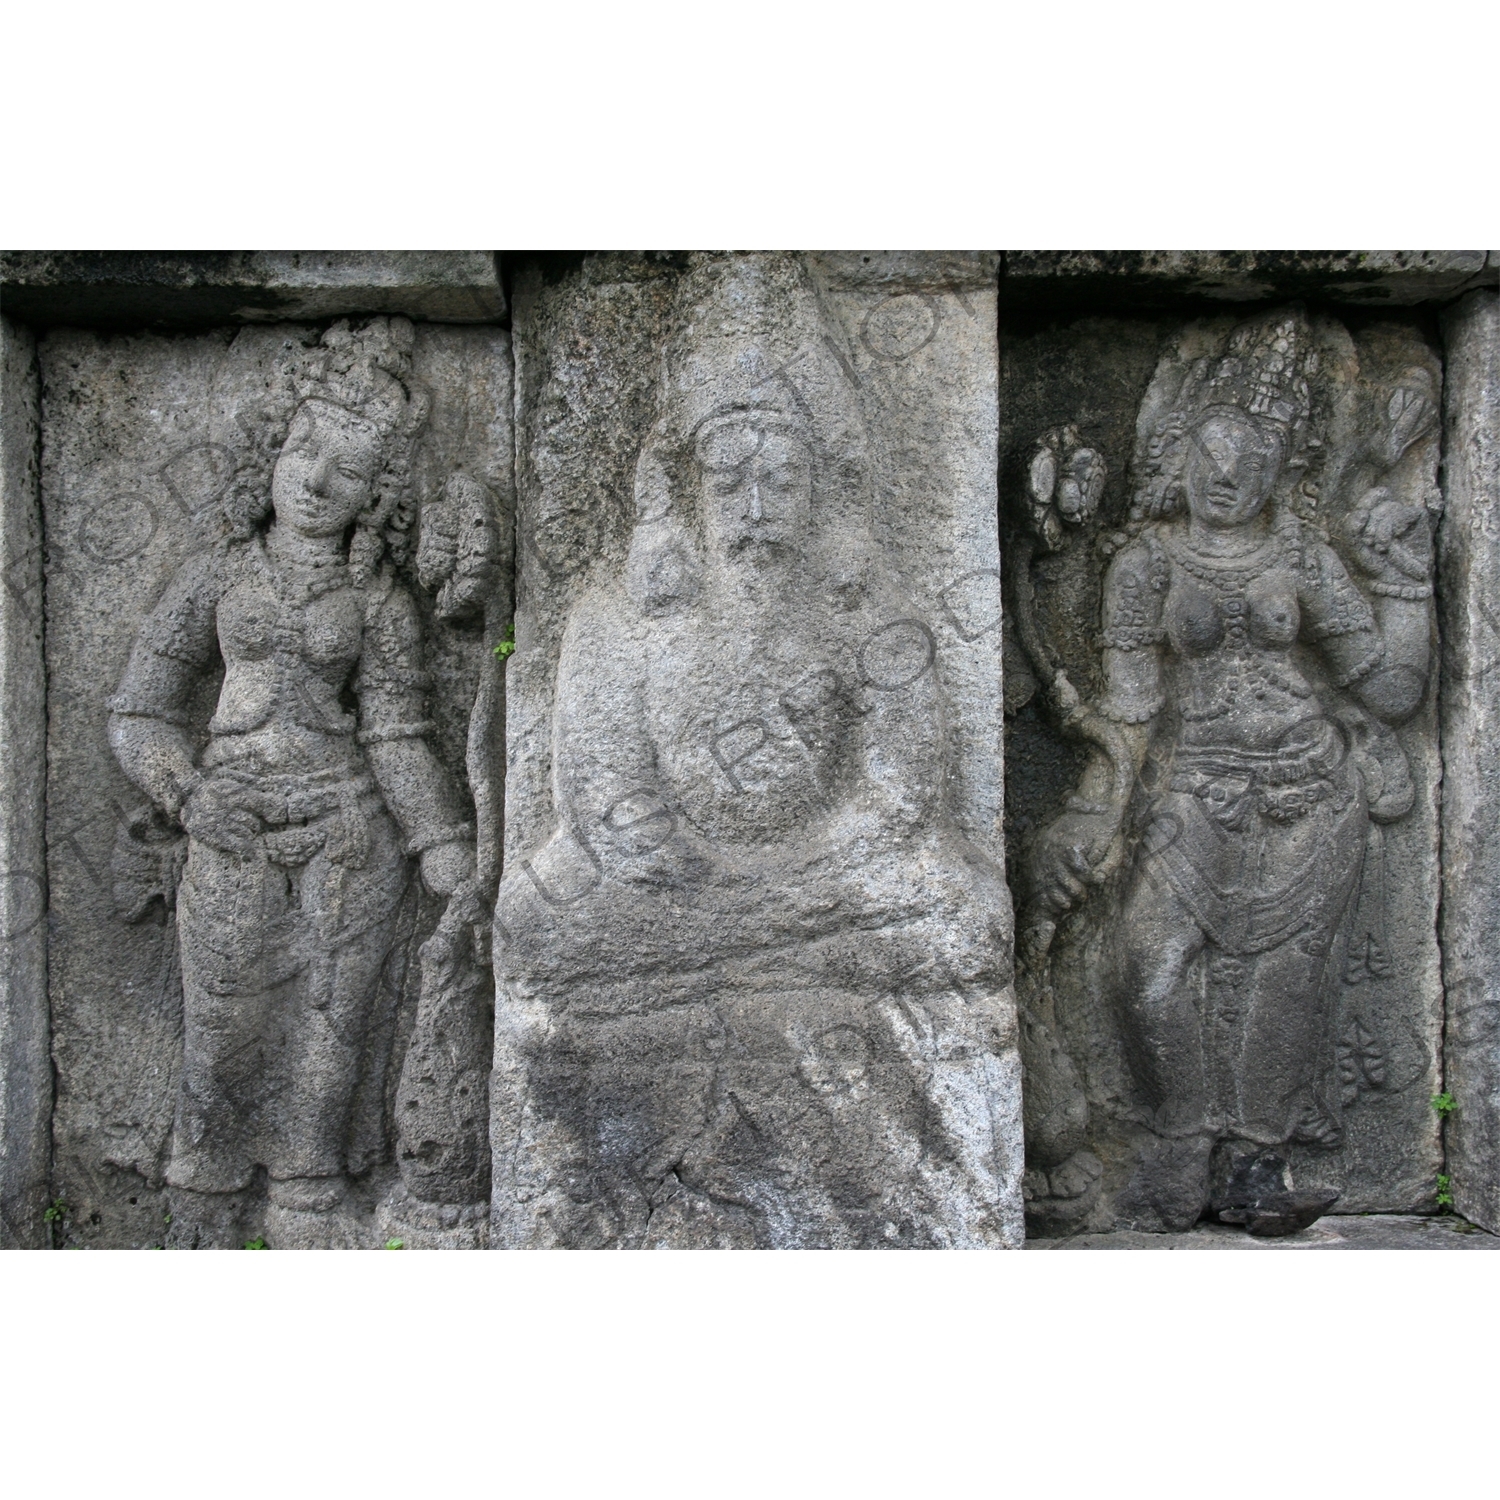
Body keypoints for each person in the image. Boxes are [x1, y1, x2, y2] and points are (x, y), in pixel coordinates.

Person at [1027, 315, 1434, 1226]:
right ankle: (1179, 1135)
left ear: (1278, 470)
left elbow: (1393, 687)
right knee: (1146, 965)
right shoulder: (1144, 562)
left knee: (1290, 975)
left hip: (1312, 792)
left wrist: (1404, 584)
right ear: (1179, 462)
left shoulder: (1305, 557)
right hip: (1190, 789)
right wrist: (1097, 810)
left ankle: (1254, 1159)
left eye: (1245, 461)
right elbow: (1130, 713)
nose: (1224, 477)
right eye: (1207, 458)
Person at [108, 319, 474, 1246]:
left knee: (330, 1028)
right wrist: (187, 794)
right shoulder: (220, 576)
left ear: (372, 496)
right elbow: (140, 709)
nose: (316, 483)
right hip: (230, 823)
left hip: (350, 828)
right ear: (273, 450)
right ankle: (202, 1189)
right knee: (222, 1020)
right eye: (305, 451)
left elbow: (396, 733)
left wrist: (442, 843)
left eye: (346, 472)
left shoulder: (379, 601)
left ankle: (308, 1192)